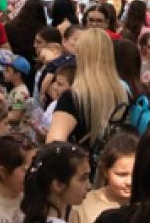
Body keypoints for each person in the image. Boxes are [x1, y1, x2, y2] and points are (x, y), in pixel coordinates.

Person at [46, 29, 128, 162]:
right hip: (115, 165)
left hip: (82, 168)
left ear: (81, 55)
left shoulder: (73, 97)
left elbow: (54, 145)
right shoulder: (123, 93)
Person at [68, 131, 136, 223]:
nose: (129, 182)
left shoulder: (149, 207)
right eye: (121, 175)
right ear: (105, 171)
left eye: (136, 174)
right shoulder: (82, 205)